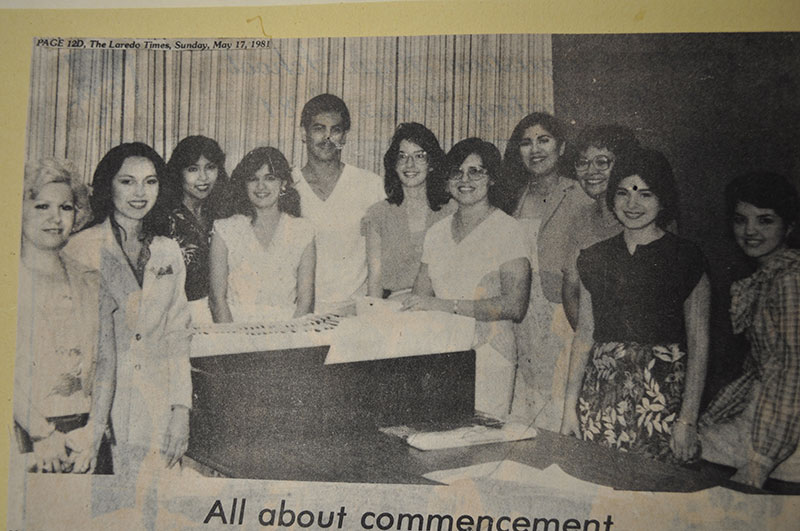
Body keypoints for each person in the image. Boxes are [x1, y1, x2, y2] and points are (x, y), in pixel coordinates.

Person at [560, 148, 710, 464]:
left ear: (663, 198)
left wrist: (688, 419)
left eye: (645, 194)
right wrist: (569, 409)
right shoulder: (594, 257)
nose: (632, 204)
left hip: (663, 396)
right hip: (601, 393)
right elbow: (585, 336)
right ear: (612, 198)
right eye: (624, 193)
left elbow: (699, 344)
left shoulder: (687, 257)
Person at [64, 142, 192, 475]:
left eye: (150, 181)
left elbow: (178, 336)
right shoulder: (80, 248)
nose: (140, 192)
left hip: (157, 405)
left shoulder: (168, 251)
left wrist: (181, 411)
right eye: (127, 181)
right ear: (108, 184)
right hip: (100, 406)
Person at [402, 138, 531, 420]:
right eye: (456, 172)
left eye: (476, 171)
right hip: (441, 350)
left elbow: (514, 306)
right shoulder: (436, 233)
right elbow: (419, 296)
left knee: (481, 443)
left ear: (493, 179)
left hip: (489, 354)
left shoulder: (508, 230)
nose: (465, 180)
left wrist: (445, 306)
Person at [699, 172, 800, 488]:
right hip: (768, 419)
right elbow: (759, 371)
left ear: (789, 227)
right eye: (741, 220)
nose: (750, 231)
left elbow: (791, 377)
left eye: (765, 220)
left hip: (783, 433)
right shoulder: (768, 278)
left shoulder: (788, 281)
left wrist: (761, 461)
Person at [14, 159, 114, 474]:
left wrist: (95, 431)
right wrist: (41, 433)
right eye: (42, 206)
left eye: (66, 208)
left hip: (87, 439)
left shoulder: (92, 279)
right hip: (25, 436)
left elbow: (108, 362)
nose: (55, 218)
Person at [501, 112, 592, 430]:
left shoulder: (579, 194)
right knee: (521, 411)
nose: (535, 149)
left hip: (560, 315)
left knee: (556, 412)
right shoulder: (515, 196)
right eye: (526, 143)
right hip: (519, 316)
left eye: (544, 140)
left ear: (562, 147)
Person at [292, 94, 385, 313]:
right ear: (303, 134)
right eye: (318, 128)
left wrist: (371, 313)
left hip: (356, 313)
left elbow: (380, 264)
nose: (327, 137)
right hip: (299, 313)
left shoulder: (369, 185)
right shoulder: (287, 185)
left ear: (344, 137)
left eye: (335, 130)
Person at [209, 147, 315, 323]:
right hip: (234, 334)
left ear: (283, 184)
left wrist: (289, 342)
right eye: (253, 179)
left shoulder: (303, 230)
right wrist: (234, 344)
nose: (261, 186)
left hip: (288, 335)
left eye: (270, 178)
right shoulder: (225, 230)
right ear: (244, 185)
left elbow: (306, 301)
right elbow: (216, 299)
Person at [561, 125, 639, 329]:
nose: (590, 171)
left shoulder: (643, 216)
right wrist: (594, 343)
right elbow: (571, 290)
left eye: (602, 162)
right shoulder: (580, 219)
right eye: (582, 163)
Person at [365, 123, 453, 298]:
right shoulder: (378, 214)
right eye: (402, 156)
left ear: (432, 163)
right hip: (394, 312)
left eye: (419, 156)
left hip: (442, 309)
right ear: (394, 164)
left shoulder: (452, 210)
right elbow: (375, 282)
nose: (409, 164)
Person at [164, 135, 230, 324]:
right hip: (178, 320)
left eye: (210, 167)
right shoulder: (164, 219)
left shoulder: (224, 214)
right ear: (179, 173)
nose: (203, 177)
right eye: (193, 169)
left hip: (224, 315)